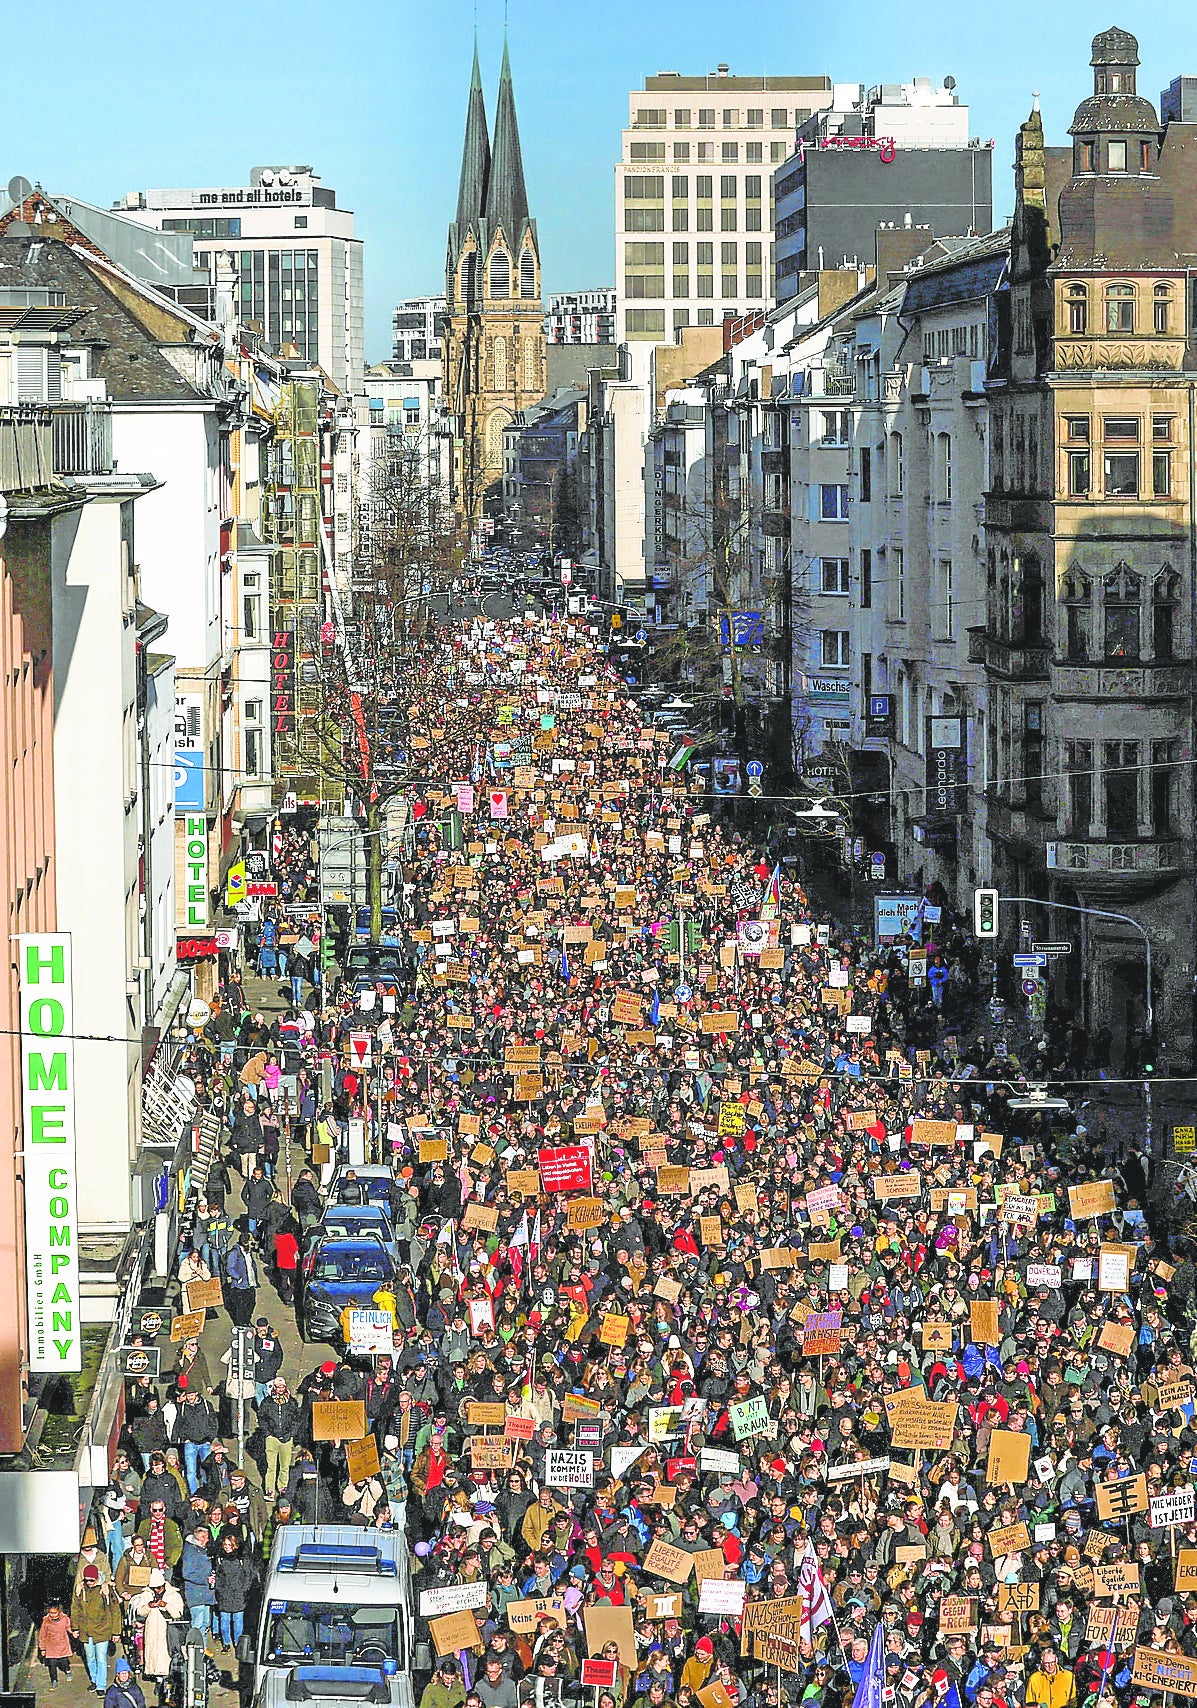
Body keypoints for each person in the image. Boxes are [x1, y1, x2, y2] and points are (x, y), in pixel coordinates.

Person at [71, 1560, 122, 1695]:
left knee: (101, 1658)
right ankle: (94, 1680)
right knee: (90, 1658)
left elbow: (115, 1611)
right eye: (87, 1580)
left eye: (92, 1580)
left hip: (102, 1629)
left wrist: (116, 1632)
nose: (89, 1583)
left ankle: (101, 1685)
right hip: (86, 1630)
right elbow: (75, 1609)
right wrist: (75, 1628)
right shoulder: (79, 1589)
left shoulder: (105, 1589)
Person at [36, 1599, 73, 1685]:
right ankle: (54, 1679)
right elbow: (42, 1636)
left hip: (62, 1644)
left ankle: (68, 1671)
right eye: (51, 1613)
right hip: (51, 1646)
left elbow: (68, 1627)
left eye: (55, 1613)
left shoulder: (64, 1619)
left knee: (64, 1661)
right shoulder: (46, 1622)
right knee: (52, 1664)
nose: (53, 1615)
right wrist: (43, 1649)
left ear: (59, 1612)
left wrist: (73, 1632)